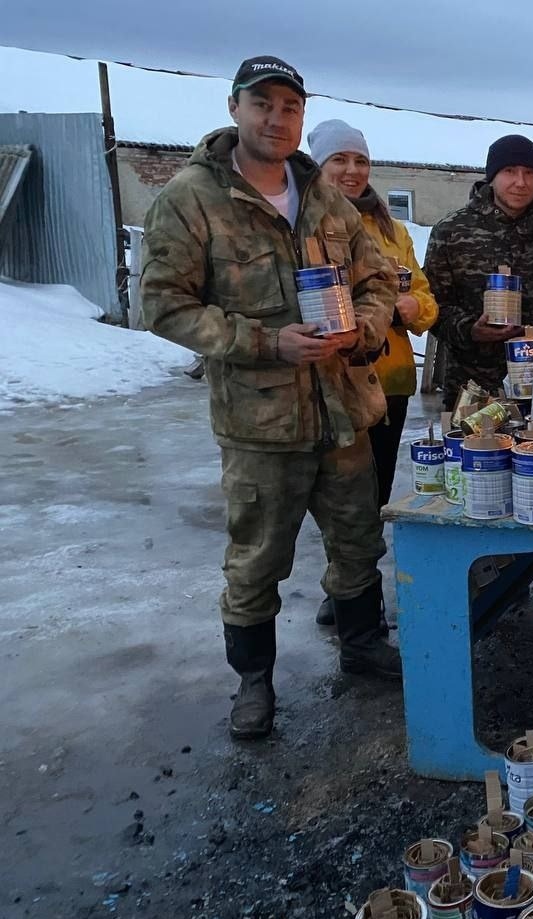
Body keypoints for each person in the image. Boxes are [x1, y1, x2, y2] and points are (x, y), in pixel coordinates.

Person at [141, 56, 401, 741]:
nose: (277, 119)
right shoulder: (192, 199)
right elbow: (164, 306)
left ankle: (364, 644)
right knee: (258, 558)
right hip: (262, 422)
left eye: (290, 107)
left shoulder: (324, 197)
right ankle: (253, 683)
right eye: (263, 105)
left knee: (357, 541)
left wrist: (362, 331)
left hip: (342, 411)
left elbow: (379, 279)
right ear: (234, 108)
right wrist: (265, 342)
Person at [308, 118, 440, 626]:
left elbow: (427, 300)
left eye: (360, 160)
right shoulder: (307, 225)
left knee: (378, 490)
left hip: (391, 380)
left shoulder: (392, 229)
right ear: (317, 164)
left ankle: (355, 593)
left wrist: (411, 306)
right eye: (339, 159)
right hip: (335, 379)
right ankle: (345, 591)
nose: (352, 170)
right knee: (342, 495)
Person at [423, 135, 533, 408]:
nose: (520, 182)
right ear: (492, 176)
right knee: (474, 451)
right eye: (510, 171)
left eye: (529, 173)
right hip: (471, 387)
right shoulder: (452, 232)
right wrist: (470, 329)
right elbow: (432, 306)